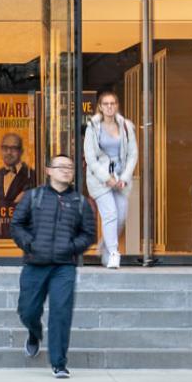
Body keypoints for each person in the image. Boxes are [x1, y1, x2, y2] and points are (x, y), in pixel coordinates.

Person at [10, 154, 96, 379]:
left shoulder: (79, 202)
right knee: (27, 310)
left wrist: (71, 248)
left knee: (61, 313)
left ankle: (59, 363)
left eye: (69, 167)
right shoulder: (33, 197)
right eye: (61, 166)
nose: (66, 170)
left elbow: (89, 234)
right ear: (49, 170)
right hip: (35, 263)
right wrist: (30, 244)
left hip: (64, 267)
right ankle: (34, 333)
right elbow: (16, 225)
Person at [84, 89, 138, 269]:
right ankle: (114, 252)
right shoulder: (92, 127)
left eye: (112, 104)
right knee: (110, 215)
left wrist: (124, 177)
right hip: (100, 179)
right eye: (105, 104)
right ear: (100, 106)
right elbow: (90, 157)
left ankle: (104, 246)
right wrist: (107, 178)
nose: (109, 107)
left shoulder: (126, 126)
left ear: (117, 106)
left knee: (121, 216)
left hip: (121, 179)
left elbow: (132, 154)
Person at [0, 132, 36, 238]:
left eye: (13, 148)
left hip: (20, 238)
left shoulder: (32, 176)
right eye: (5, 148)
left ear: (21, 151)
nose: (8, 152)